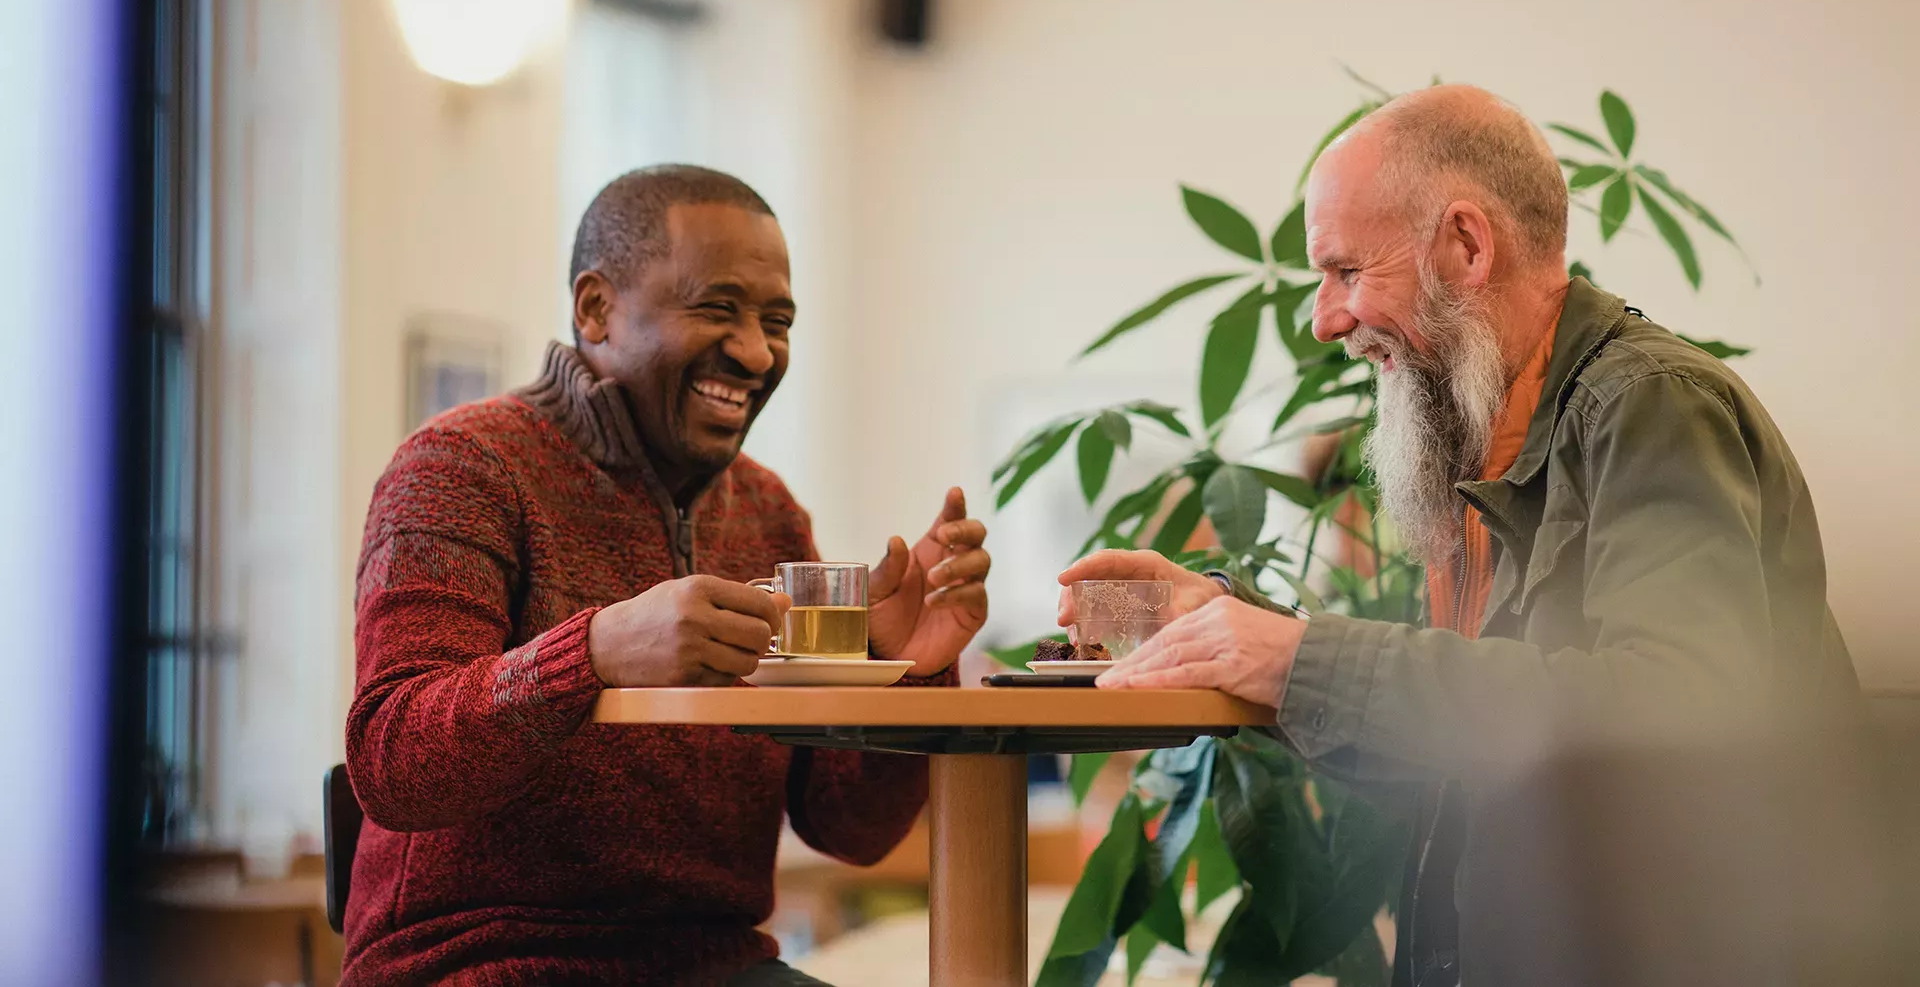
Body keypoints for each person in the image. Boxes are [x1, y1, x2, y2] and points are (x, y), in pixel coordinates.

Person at [1057, 85, 1856, 986]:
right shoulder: (1478, 440)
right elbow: (1462, 751)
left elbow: (1669, 710)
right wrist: (1225, 627)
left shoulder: (1649, 404)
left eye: (1347, 271)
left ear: (1467, 246)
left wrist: (1299, 661)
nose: (1323, 319)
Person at [342, 165, 991, 986]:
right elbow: (394, 758)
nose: (756, 352)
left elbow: (847, 829)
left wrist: (910, 675)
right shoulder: (461, 468)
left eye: (777, 321)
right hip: (476, 962)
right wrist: (595, 653)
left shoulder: (769, 512)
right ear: (595, 309)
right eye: (718, 308)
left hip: (715, 963)